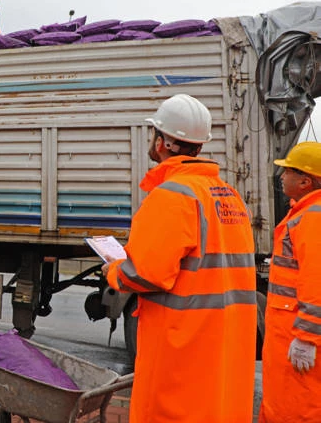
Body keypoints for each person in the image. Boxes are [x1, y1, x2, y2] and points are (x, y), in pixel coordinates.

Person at [102, 93, 256, 423]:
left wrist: (114, 269)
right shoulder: (229, 196)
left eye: (154, 132)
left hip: (181, 352)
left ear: (165, 143)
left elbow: (145, 273)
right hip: (219, 352)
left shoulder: (172, 197)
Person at [259, 141, 321, 422]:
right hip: (288, 328)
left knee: (295, 407)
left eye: (288, 172)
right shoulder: (306, 213)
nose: (282, 176)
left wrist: (306, 338)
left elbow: (316, 280)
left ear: (305, 181)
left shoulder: (312, 218)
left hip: (294, 330)